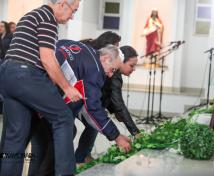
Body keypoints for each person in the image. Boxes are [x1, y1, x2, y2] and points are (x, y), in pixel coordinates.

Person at [0, 0, 81, 175]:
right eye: (73, 11)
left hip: (7, 74)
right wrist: (67, 88)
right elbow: (47, 58)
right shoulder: (48, 18)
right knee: (63, 118)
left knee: (16, 137)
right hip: (26, 74)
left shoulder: (30, 15)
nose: (72, 17)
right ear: (62, 4)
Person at [28, 42, 132, 176]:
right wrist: (116, 136)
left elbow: (59, 44)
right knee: (65, 131)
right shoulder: (96, 69)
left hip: (30, 85)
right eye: (112, 69)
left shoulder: (85, 48)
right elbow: (93, 108)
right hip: (41, 96)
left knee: (43, 141)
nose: (111, 75)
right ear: (105, 58)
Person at [75, 45, 140, 165]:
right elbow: (117, 103)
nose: (134, 69)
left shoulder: (110, 69)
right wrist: (133, 133)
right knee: (80, 125)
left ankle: (81, 157)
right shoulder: (110, 71)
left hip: (84, 100)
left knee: (92, 124)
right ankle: (79, 159)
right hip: (78, 100)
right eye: (131, 65)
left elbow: (109, 99)